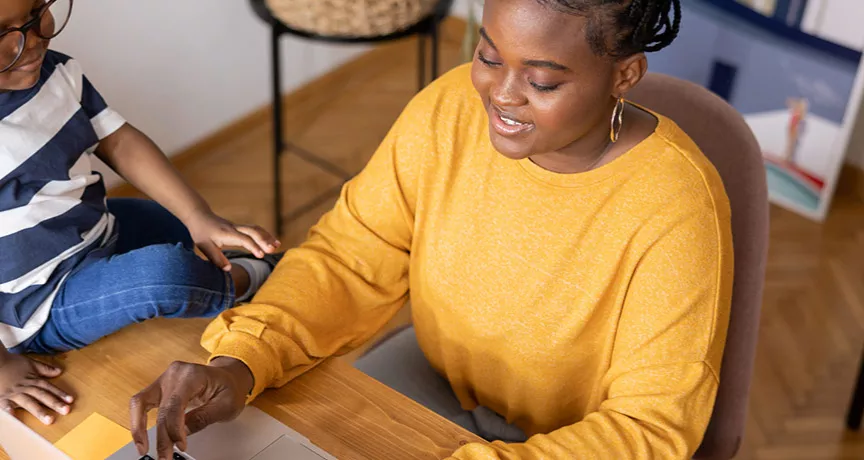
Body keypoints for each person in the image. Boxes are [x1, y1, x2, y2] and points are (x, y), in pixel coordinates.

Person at [132, 0, 735, 458]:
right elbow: (352, 256)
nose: (500, 94)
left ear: (625, 76)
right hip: (439, 375)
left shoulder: (678, 207)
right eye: (489, 54)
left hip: (570, 438)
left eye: (542, 81)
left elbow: (650, 424)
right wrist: (241, 362)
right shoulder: (449, 108)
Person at [0, 0, 282, 427]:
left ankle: (223, 265)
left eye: (37, 12)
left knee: (171, 222)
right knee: (165, 274)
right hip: (40, 303)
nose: (34, 38)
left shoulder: (56, 71)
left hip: (97, 231)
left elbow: (118, 141)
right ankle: (245, 280)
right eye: (3, 32)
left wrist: (197, 214)